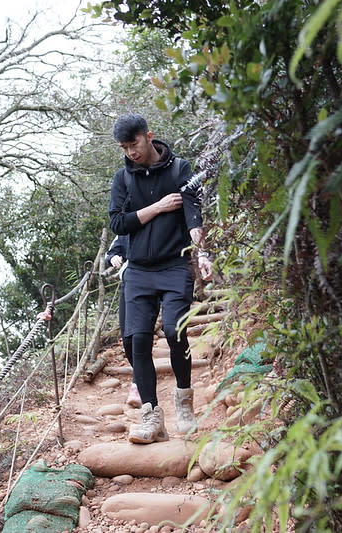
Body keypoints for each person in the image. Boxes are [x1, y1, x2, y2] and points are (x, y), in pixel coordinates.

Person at [108, 113, 212, 444]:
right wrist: (157, 207)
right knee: (135, 340)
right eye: (124, 148)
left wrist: (203, 253)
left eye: (134, 144)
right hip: (138, 269)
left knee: (174, 329)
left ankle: (184, 402)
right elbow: (118, 224)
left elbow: (192, 214)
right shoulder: (123, 179)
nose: (130, 153)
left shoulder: (180, 170)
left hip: (174, 265)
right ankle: (151, 416)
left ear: (148, 136)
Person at [104, 234, 142, 408]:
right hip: (128, 283)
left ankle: (138, 385)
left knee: (140, 335)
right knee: (127, 339)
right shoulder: (125, 229)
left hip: (151, 282)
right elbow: (110, 253)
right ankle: (142, 376)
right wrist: (114, 258)